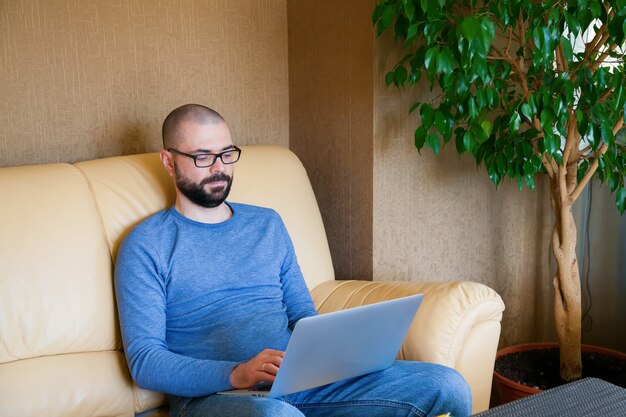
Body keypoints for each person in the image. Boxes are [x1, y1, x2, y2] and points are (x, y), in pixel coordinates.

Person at [115, 104, 472, 417]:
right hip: (214, 398)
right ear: (168, 160)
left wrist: (336, 355)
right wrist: (237, 373)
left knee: (448, 385)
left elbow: (303, 314)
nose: (219, 168)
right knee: (276, 415)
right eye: (203, 157)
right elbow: (146, 361)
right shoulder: (146, 244)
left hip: (301, 383)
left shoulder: (266, 223)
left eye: (226, 154)